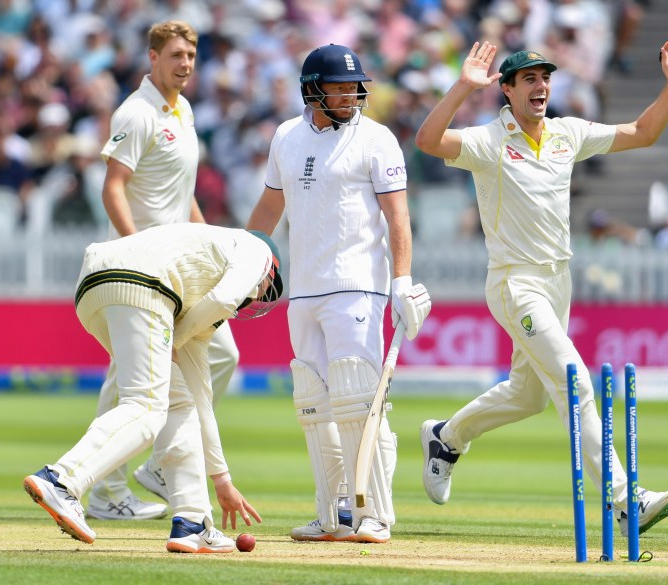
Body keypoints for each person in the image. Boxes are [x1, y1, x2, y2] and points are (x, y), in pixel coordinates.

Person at [413, 38, 668, 538]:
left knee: (527, 396)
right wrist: (460, 87)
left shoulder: (567, 134)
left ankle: (446, 438)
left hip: (558, 281)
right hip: (515, 283)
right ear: (508, 90)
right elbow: (429, 141)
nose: (541, 87)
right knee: (574, 380)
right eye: (530, 80)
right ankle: (625, 500)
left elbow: (643, 133)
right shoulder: (488, 141)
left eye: (545, 78)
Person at [247, 44, 431, 544]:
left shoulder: (377, 139)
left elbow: (398, 217)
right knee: (313, 404)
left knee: (359, 401)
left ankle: (373, 514)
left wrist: (401, 281)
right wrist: (247, 264)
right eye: (340, 86)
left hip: (358, 286)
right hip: (303, 291)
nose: (352, 94)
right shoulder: (286, 136)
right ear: (313, 89)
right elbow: (268, 208)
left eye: (356, 86)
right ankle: (332, 514)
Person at [23, 223, 280, 552]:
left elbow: (202, 401)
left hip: (95, 284)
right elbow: (225, 296)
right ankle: (61, 480)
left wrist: (222, 479)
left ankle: (192, 523)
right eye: (267, 285)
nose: (260, 295)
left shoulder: (196, 307)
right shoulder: (255, 249)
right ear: (270, 266)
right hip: (145, 284)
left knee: (179, 402)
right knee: (146, 407)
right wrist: (179, 335)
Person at [87, 20, 242, 521]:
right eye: (176, 55)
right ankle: (106, 492)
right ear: (153, 58)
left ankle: (155, 467)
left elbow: (183, 191)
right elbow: (113, 187)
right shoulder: (136, 113)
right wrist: (135, 252)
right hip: (144, 271)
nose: (186, 64)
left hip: (180, 268)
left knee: (222, 354)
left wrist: (211, 244)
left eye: (191, 56)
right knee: (127, 382)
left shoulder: (185, 109)